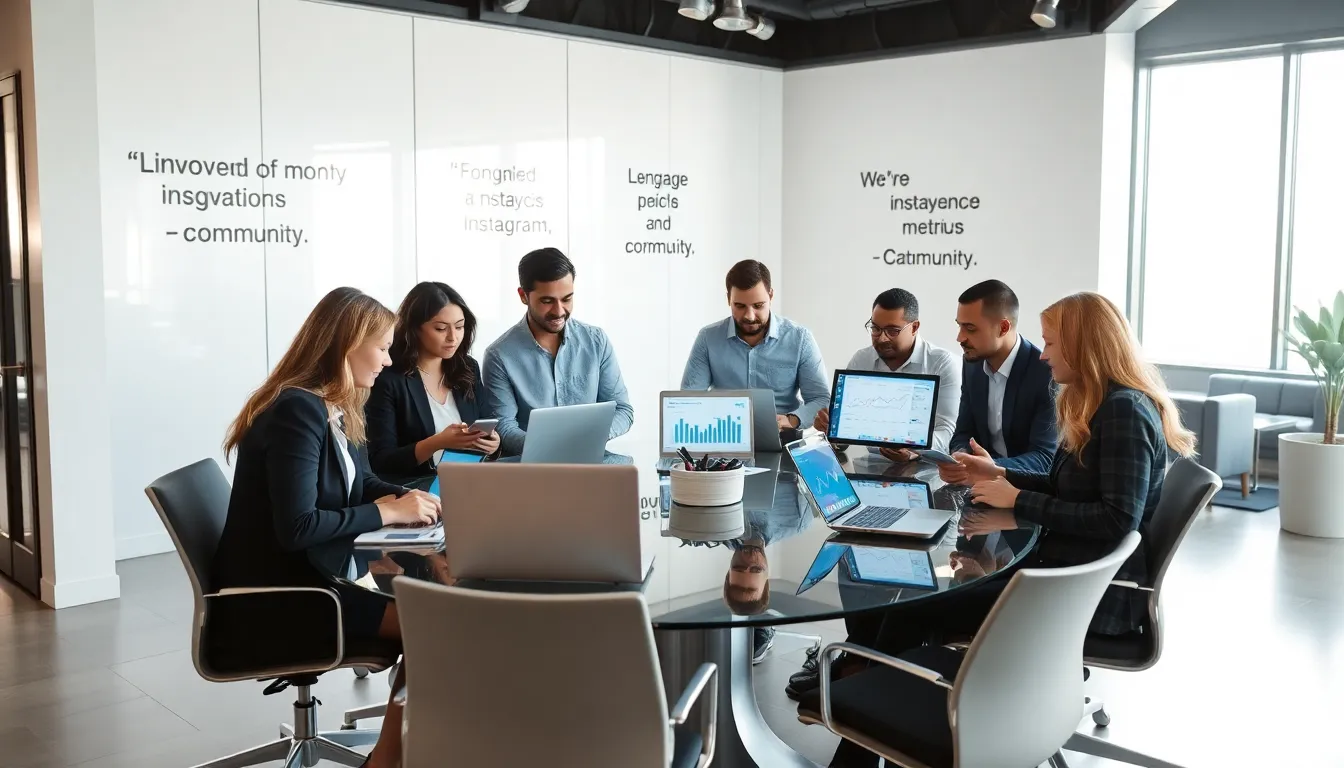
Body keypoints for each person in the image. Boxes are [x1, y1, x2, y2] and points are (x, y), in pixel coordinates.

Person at [823, 291, 1195, 768]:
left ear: (1085, 347)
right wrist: (998, 475)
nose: (1043, 354)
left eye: (1052, 343)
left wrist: (1018, 500)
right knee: (911, 605)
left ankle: (861, 723)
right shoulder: (1103, 404)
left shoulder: (1123, 411)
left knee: (914, 611)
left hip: (1083, 596)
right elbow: (1073, 486)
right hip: (1063, 574)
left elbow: (1116, 519)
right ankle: (864, 702)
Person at [212, 287, 443, 768]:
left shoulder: (334, 408)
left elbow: (360, 482)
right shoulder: (297, 410)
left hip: (313, 579)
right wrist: (388, 513)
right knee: (437, 626)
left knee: (435, 617)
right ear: (346, 344)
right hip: (283, 598)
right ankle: (389, 760)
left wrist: (416, 499)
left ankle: (394, 756)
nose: (386, 360)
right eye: (381, 347)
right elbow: (299, 526)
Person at [482, 247, 634, 456]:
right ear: (523, 296)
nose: (560, 311)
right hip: (533, 469)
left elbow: (622, 410)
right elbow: (504, 428)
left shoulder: (596, 341)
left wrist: (585, 439)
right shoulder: (500, 355)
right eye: (547, 301)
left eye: (567, 299)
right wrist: (551, 447)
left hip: (590, 461)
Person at [366, 282, 499, 490]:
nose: (453, 338)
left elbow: (486, 423)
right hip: (417, 490)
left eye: (460, 326)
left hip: (471, 483)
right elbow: (381, 461)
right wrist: (437, 442)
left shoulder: (467, 368)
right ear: (415, 328)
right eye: (440, 328)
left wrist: (494, 445)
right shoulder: (387, 377)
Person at [812, 288, 962, 461]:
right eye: (875, 328)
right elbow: (844, 438)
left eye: (892, 331)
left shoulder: (942, 363)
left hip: (928, 469)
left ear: (914, 327)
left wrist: (915, 450)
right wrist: (830, 431)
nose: (882, 338)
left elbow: (947, 430)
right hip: (869, 469)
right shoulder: (862, 360)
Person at [681, 259, 829, 433]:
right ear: (729, 299)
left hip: (783, 441)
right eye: (740, 306)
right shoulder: (708, 338)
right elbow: (688, 401)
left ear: (771, 296)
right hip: (725, 440)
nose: (750, 316)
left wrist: (792, 420)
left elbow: (820, 399)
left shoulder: (800, 338)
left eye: (758, 306)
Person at [942, 279, 1057, 482]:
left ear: (1003, 327)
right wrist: (960, 459)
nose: (960, 338)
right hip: (979, 487)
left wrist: (991, 467)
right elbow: (963, 433)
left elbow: (1045, 458)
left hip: (1026, 492)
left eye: (970, 328)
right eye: (959, 326)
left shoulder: (1046, 374)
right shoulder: (972, 364)